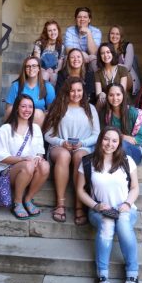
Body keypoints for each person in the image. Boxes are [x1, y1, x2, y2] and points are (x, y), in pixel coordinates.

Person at [77, 126, 139, 283]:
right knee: (107, 224)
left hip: (125, 208)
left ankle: (132, 274)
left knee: (124, 223)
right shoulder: (87, 161)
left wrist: (127, 203)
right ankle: (102, 276)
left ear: (119, 143)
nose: (109, 144)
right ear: (100, 140)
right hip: (99, 210)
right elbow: (80, 190)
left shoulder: (127, 161)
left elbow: (135, 188)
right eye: (106, 139)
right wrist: (96, 206)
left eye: (114, 140)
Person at [43, 77, 100, 225]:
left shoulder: (91, 108)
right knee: (63, 155)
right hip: (60, 146)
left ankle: (79, 205)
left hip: (84, 147)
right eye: (72, 90)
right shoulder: (59, 106)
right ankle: (60, 204)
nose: (76, 94)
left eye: (79, 90)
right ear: (67, 91)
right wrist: (62, 142)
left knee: (80, 156)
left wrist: (83, 143)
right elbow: (47, 134)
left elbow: (96, 134)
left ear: (83, 91)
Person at [0, 94, 50, 219]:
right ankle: (17, 203)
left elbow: (40, 150)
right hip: (9, 171)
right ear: (17, 108)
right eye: (23, 106)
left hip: (30, 167)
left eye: (30, 107)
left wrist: (39, 158)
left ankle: (28, 199)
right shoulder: (5, 129)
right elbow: (1, 157)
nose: (27, 110)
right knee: (28, 165)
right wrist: (23, 159)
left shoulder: (35, 128)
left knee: (45, 165)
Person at [100, 83, 142, 165]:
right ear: (107, 97)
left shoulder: (132, 112)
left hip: (135, 150)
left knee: (123, 145)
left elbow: (141, 137)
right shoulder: (106, 114)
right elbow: (103, 136)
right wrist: (122, 137)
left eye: (118, 94)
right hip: (113, 149)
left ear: (123, 95)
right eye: (111, 95)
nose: (115, 98)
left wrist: (126, 140)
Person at [4, 56, 56, 127]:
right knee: (10, 109)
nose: (31, 69)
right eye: (28, 66)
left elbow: (52, 110)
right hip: (19, 118)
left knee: (37, 113)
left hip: (38, 120)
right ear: (24, 69)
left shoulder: (47, 87)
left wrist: (41, 115)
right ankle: (12, 135)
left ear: (39, 69)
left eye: (34, 66)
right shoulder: (16, 85)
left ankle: (35, 137)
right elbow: (8, 107)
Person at [95, 43, 132, 109]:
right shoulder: (98, 73)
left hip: (120, 99)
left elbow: (122, 90)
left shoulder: (122, 69)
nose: (105, 55)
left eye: (108, 52)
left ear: (112, 53)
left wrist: (111, 96)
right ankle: (94, 118)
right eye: (102, 53)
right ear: (100, 56)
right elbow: (98, 93)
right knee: (100, 100)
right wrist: (101, 94)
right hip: (107, 100)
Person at [64, 7, 102, 71]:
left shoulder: (96, 31)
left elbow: (93, 52)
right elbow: (68, 49)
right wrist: (80, 54)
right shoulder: (70, 31)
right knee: (65, 59)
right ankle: (70, 81)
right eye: (79, 17)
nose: (82, 19)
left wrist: (89, 33)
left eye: (85, 17)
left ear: (89, 20)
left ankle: (95, 81)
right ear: (75, 19)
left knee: (94, 58)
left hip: (89, 58)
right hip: (74, 58)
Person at [108, 25, 141, 95]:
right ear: (109, 35)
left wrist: (112, 68)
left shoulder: (128, 46)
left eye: (117, 34)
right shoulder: (106, 47)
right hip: (110, 77)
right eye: (112, 33)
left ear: (121, 36)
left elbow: (127, 67)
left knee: (121, 70)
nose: (114, 36)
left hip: (127, 77)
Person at [32, 20, 65, 86]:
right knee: (45, 75)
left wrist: (56, 70)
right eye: (50, 31)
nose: (53, 32)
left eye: (54, 30)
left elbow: (60, 61)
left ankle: (51, 95)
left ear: (58, 30)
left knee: (54, 77)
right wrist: (43, 70)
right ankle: (41, 95)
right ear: (46, 32)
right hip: (40, 68)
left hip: (53, 70)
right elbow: (36, 60)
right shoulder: (39, 43)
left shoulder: (61, 46)